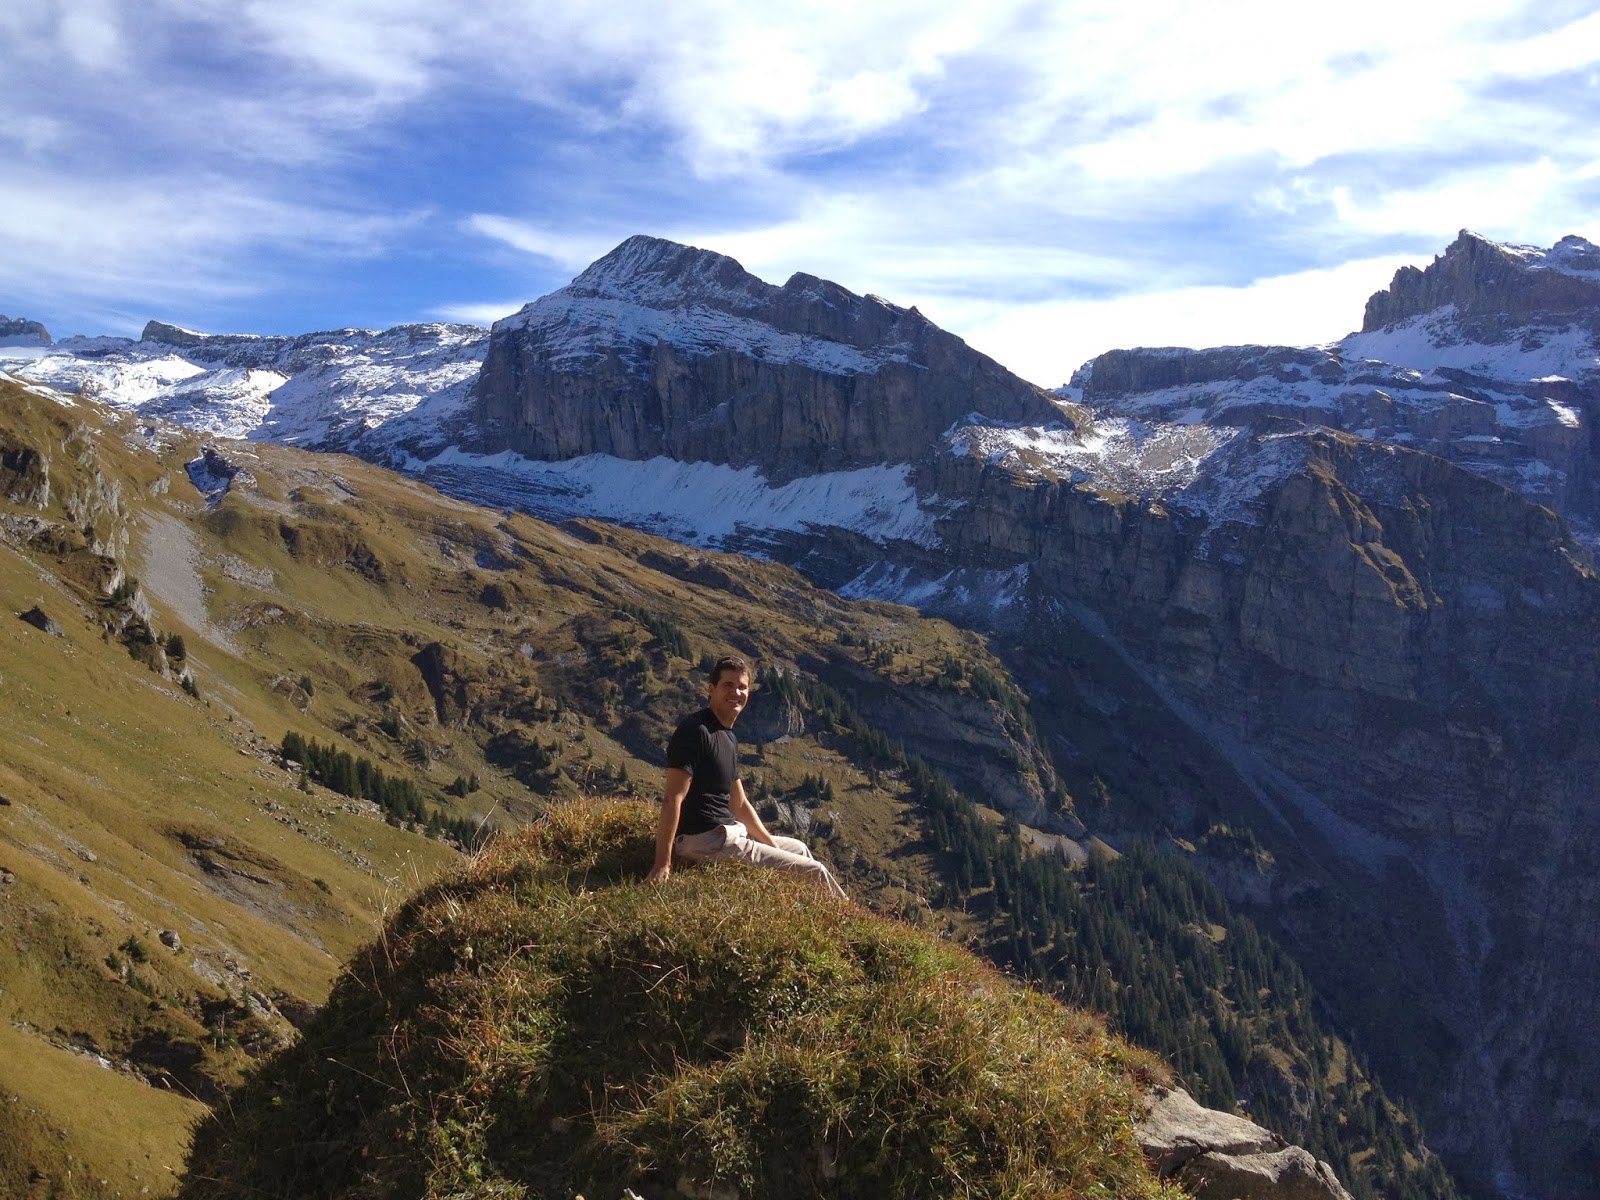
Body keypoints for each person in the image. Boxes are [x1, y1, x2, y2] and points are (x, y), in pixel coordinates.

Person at [646, 654, 846, 899]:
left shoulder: (727, 736)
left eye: (742, 687)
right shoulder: (696, 732)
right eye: (728, 685)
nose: (736, 693)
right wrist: (662, 864)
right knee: (815, 871)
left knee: (799, 849)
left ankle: (802, 907)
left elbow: (739, 804)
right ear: (711, 689)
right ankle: (849, 919)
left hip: (729, 834)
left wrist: (773, 847)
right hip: (703, 841)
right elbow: (672, 798)